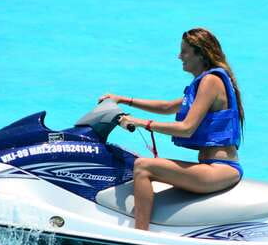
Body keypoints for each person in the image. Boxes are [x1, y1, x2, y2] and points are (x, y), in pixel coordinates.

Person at [99, 27, 245, 231]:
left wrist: (142, 123)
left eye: (184, 51)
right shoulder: (205, 82)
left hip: (220, 169)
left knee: (143, 166)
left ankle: (140, 236)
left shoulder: (211, 81)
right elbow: (168, 107)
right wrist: (123, 100)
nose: (179, 56)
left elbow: (186, 128)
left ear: (201, 53)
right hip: (213, 166)